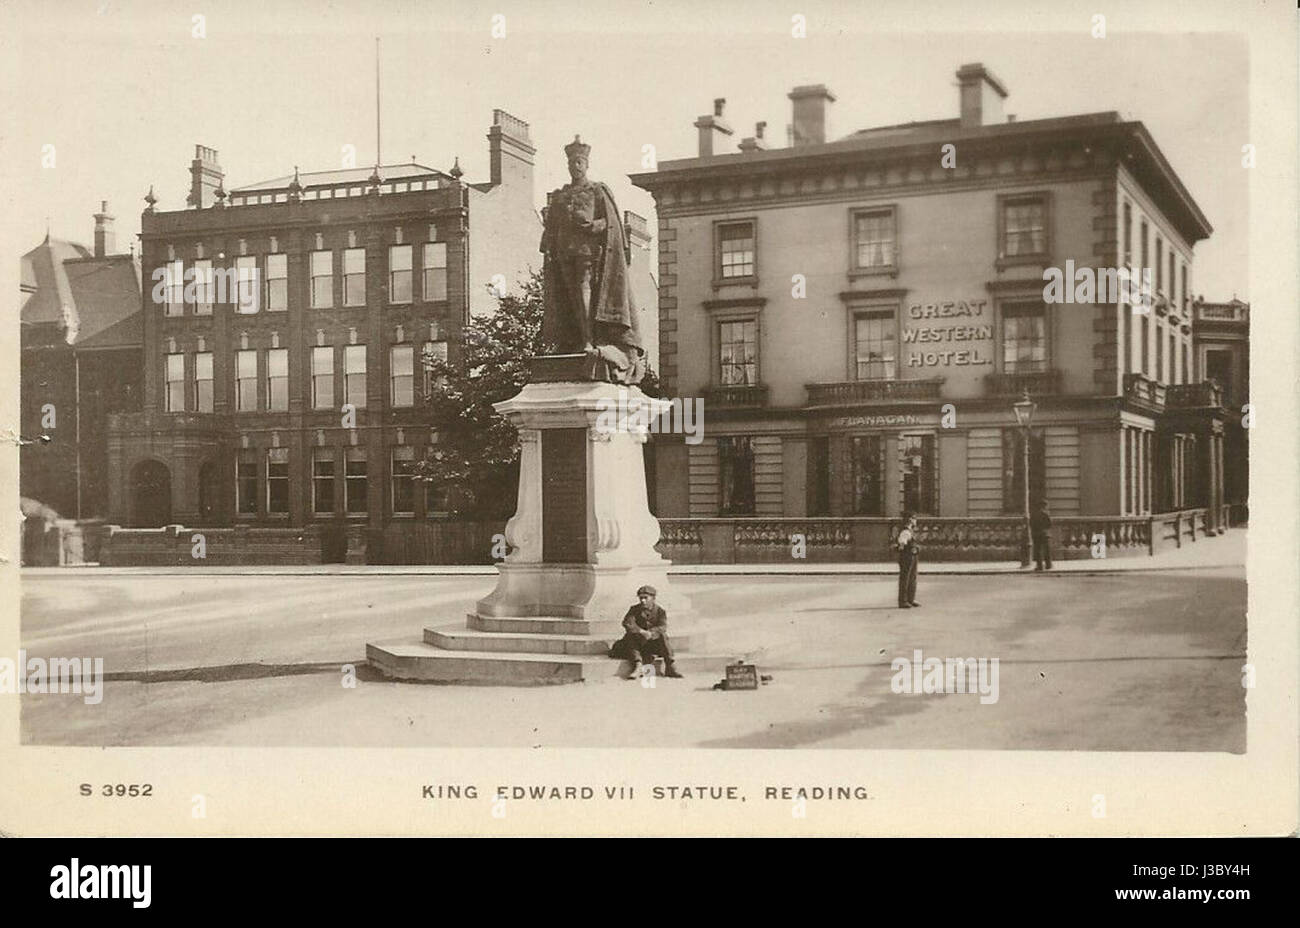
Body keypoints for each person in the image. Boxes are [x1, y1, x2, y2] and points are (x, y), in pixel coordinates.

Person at [608, 585, 682, 679]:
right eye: (641, 598)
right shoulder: (634, 610)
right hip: (637, 644)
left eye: (645, 598)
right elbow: (627, 623)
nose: (643, 600)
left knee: (663, 636)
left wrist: (651, 633)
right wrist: (641, 632)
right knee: (630, 636)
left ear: (653, 598)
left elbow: (662, 626)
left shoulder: (660, 611)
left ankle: (670, 666)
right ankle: (638, 666)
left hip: (652, 644)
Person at [896, 513, 920, 609]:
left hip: (912, 556)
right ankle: (903, 601)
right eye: (915, 518)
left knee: (912, 577)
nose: (916, 520)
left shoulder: (910, 531)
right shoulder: (905, 532)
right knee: (905, 578)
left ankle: (910, 599)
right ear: (910, 520)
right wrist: (907, 549)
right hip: (907, 556)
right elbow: (901, 545)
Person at [1030, 500, 1053, 571]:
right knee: (1047, 550)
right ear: (1044, 506)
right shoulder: (1046, 514)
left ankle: (1040, 566)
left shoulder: (1034, 514)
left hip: (1036, 534)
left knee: (1038, 550)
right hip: (1045, 534)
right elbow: (1050, 524)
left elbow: (1031, 523)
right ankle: (1048, 565)